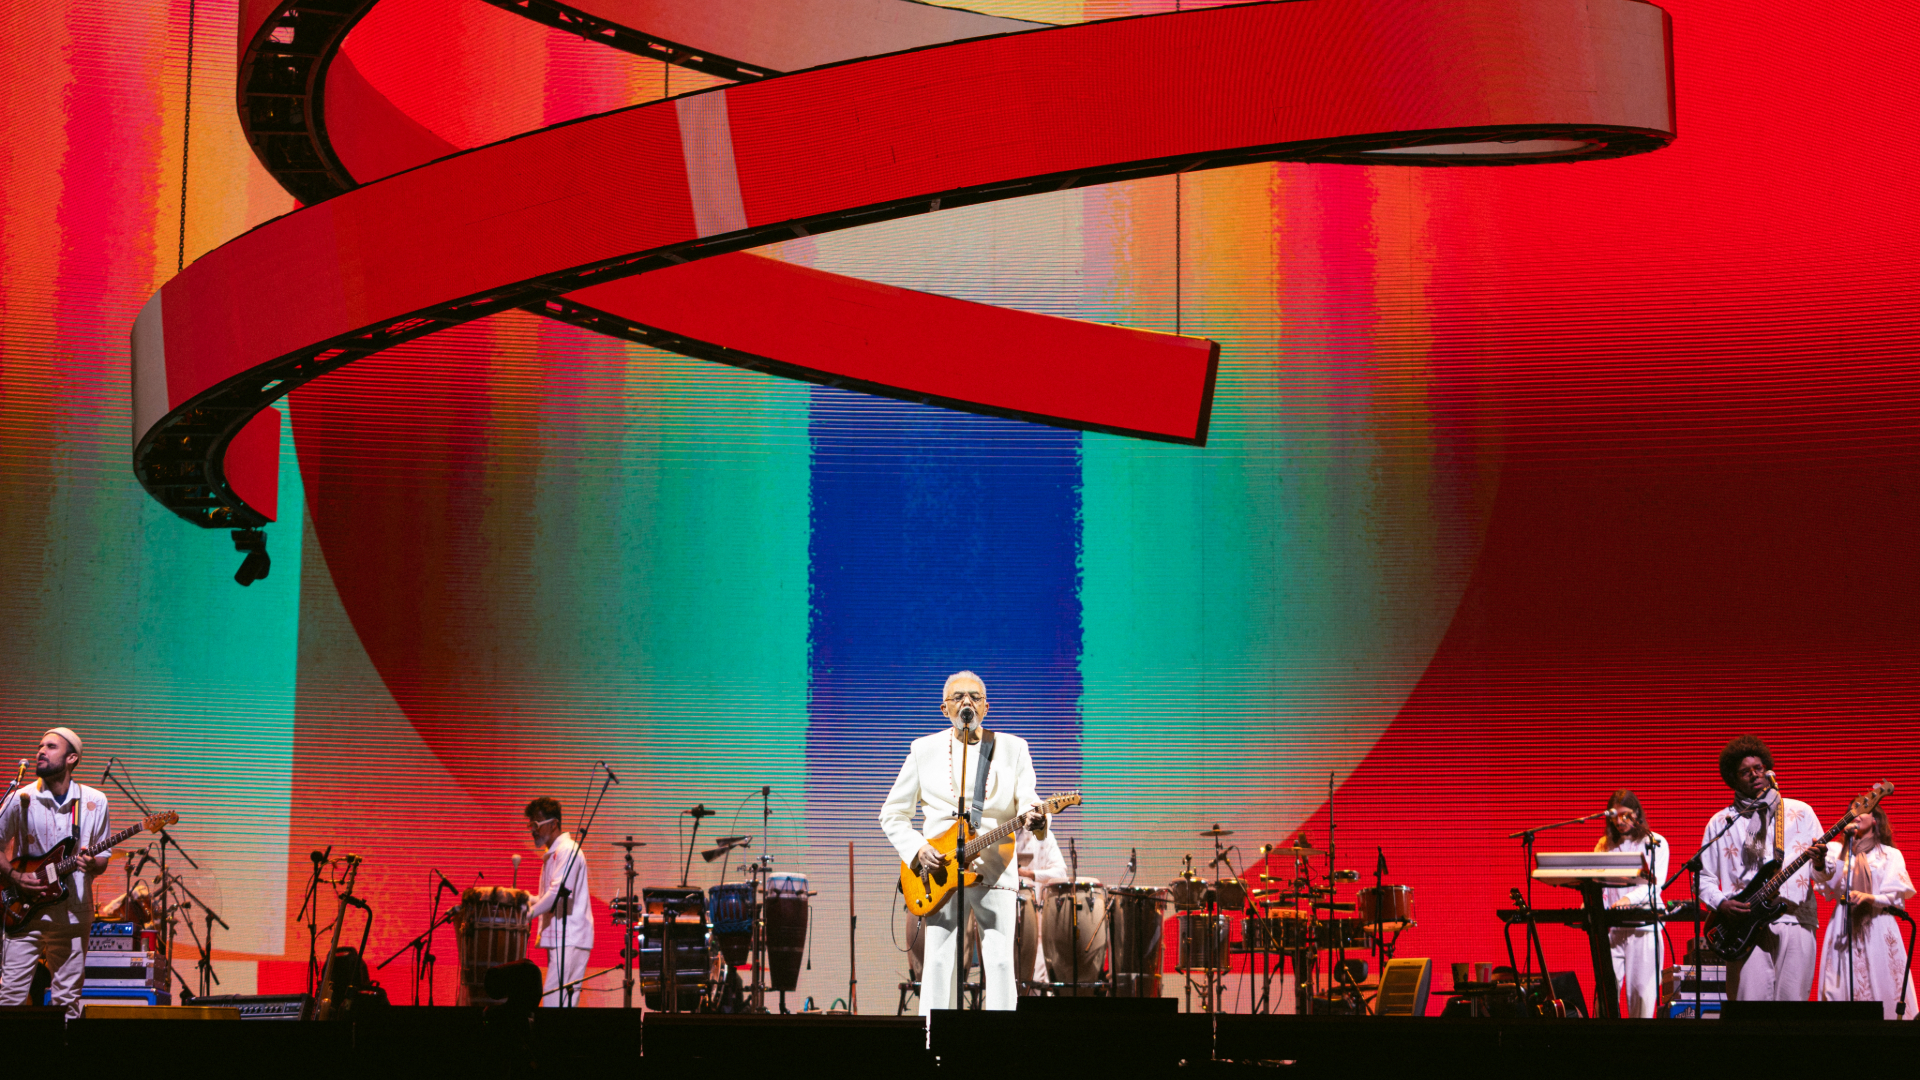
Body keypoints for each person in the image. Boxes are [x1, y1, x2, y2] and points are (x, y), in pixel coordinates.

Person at [880, 670, 1048, 1013]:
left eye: (974, 696)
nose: (966, 702)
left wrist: (1038, 815)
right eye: (958, 697)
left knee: (1000, 962)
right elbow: (892, 813)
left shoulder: (1013, 749)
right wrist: (917, 849)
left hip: (995, 865)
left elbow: (1028, 798)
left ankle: (1000, 1048)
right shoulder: (923, 750)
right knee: (940, 962)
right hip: (939, 870)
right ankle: (935, 1047)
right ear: (945, 708)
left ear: (986, 706)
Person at [1698, 735, 1823, 1002]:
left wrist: (1822, 862)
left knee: (1793, 1006)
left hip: (1795, 920)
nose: (1755, 775)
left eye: (1758, 768)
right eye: (1745, 772)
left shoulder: (1801, 812)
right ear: (1734, 778)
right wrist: (1721, 904)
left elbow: (1824, 876)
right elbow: (1704, 877)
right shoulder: (1722, 822)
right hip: (1744, 926)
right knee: (1748, 1006)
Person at [0, 728, 112, 1019]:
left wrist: (92, 865)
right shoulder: (20, 798)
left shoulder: (95, 800)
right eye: (40, 746)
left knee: (67, 1000)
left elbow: (102, 859)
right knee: (10, 995)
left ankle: (61, 1061)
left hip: (73, 914)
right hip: (25, 910)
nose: (41, 751)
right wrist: (14, 877)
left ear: (71, 757)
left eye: (50, 746)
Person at [1812, 806, 1916, 1019]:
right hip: (1844, 924)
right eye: (1852, 810)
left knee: (1883, 980)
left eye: (1863, 810)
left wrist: (1869, 897)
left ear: (1876, 819)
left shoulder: (1889, 854)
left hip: (1877, 924)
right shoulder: (1834, 850)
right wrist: (1845, 847)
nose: (1856, 813)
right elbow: (1829, 883)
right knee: (1838, 984)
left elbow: (1895, 898)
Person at [1593, 790, 1667, 1017]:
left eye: (1625, 815)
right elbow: (1597, 883)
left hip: (1642, 930)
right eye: (1614, 815)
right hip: (1614, 930)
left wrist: (1628, 899)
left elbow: (1655, 886)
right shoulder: (1604, 844)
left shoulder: (1655, 842)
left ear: (1637, 813)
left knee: (1641, 999)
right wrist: (1592, 905)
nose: (1619, 821)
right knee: (1605, 997)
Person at [525, 796, 592, 1007]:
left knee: (555, 1004)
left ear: (554, 823)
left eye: (536, 824)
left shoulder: (568, 850)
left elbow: (557, 894)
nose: (532, 830)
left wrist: (527, 914)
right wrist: (527, 900)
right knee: (561, 1004)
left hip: (570, 936)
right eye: (531, 825)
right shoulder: (552, 854)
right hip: (561, 936)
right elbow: (551, 897)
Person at [1014, 818, 1068, 993]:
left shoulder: (1045, 838)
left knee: (1035, 977)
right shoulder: (1002, 837)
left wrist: (1029, 873)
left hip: (1033, 916)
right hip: (1003, 913)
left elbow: (1061, 872)